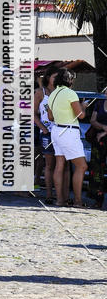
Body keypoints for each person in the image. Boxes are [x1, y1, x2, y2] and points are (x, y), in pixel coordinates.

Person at [47, 68, 88, 208]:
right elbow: (81, 115)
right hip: (68, 131)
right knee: (82, 166)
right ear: (70, 80)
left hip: (56, 130)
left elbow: (50, 117)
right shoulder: (71, 93)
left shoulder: (52, 94)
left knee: (59, 165)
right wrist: (83, 106)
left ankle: (60, 200)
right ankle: (78, 201)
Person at [34, 70, 57, 205]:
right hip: (47, 132)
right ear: (49, 77)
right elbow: (33, 113)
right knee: (49, 164)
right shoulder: (40, 92)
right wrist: (43, 128)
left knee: (62, 165)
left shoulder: (62, 91)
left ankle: (61, 194)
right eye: (55, 76)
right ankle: (49, 194)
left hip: (61, 132)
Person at [87, 88, 107, 209]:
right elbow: (93, 120)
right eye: (105, 92)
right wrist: (104, 128)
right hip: (99, 142)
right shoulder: (99, 103)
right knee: (96, 170)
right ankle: (97, 200)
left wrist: (104, 132)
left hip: (101, 137)